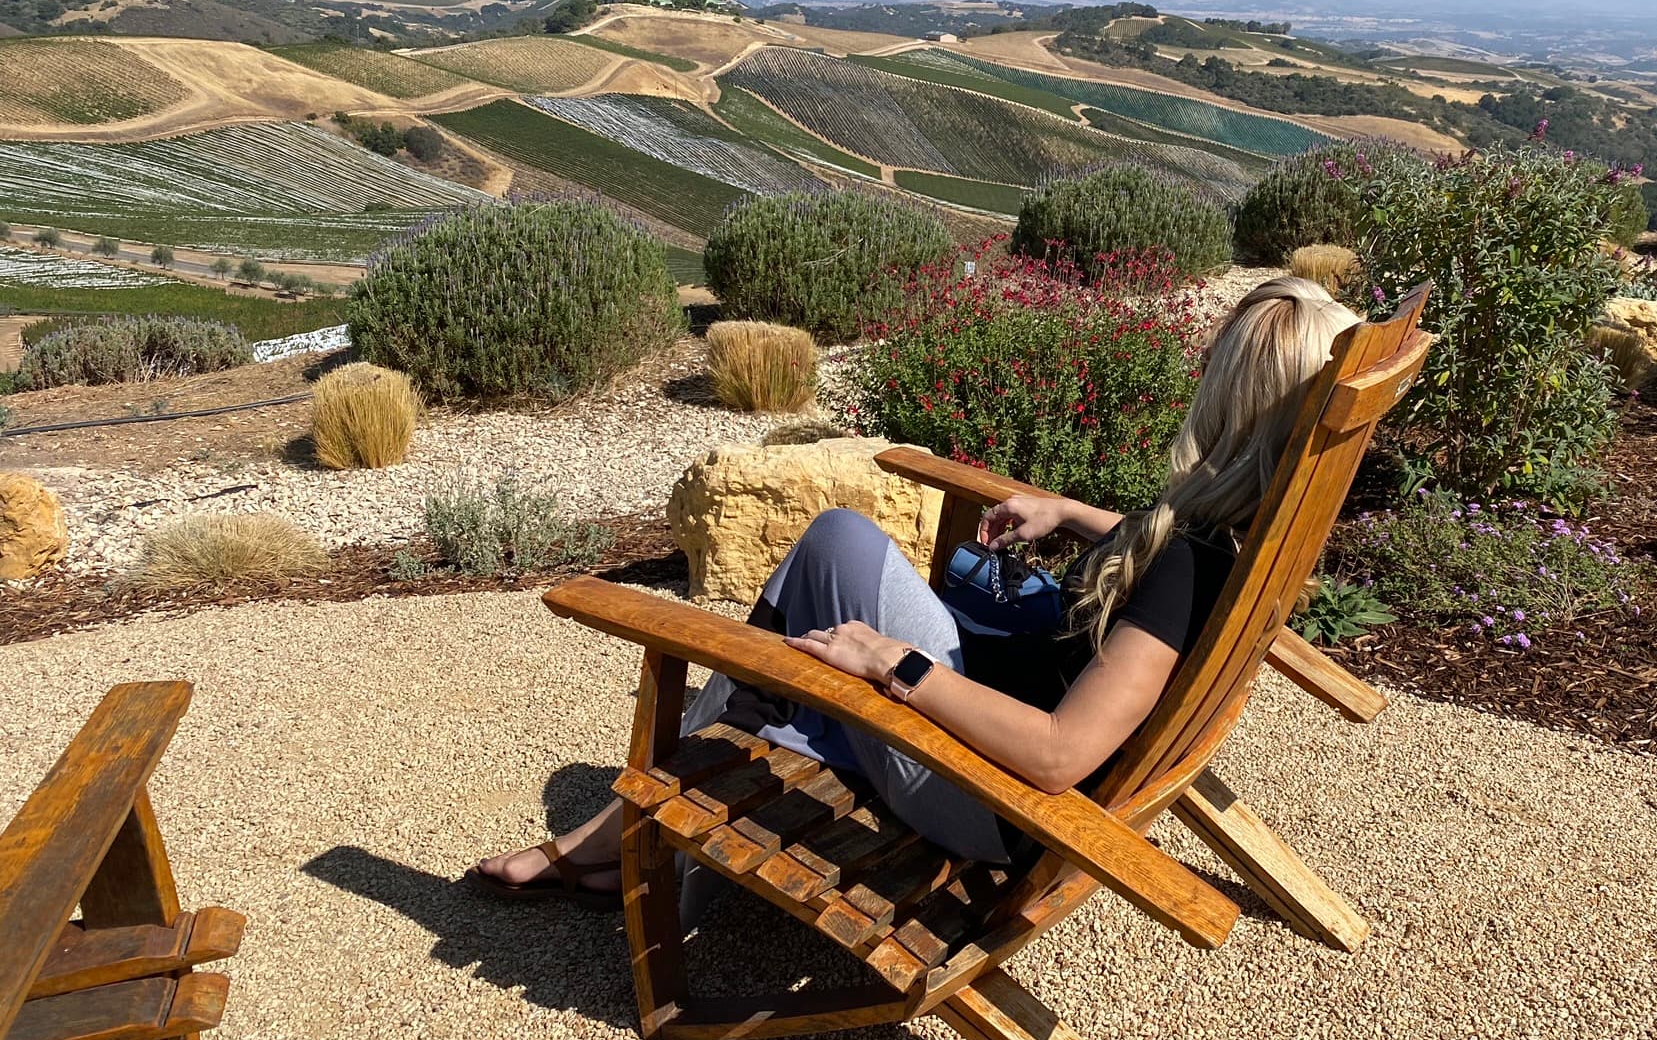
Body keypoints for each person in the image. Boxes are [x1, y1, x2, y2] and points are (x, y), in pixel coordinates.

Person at [470, 276, 1359, 904]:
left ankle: (636, 834)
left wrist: (892, 662)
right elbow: (1163, 570)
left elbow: (1056, 756)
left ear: (1232, 397)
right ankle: (678, 795)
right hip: (995, 711)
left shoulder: (1191, 561)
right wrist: (1069, 512)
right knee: (838, 545)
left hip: (989, 795)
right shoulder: (1240, 537)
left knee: (825, 602)